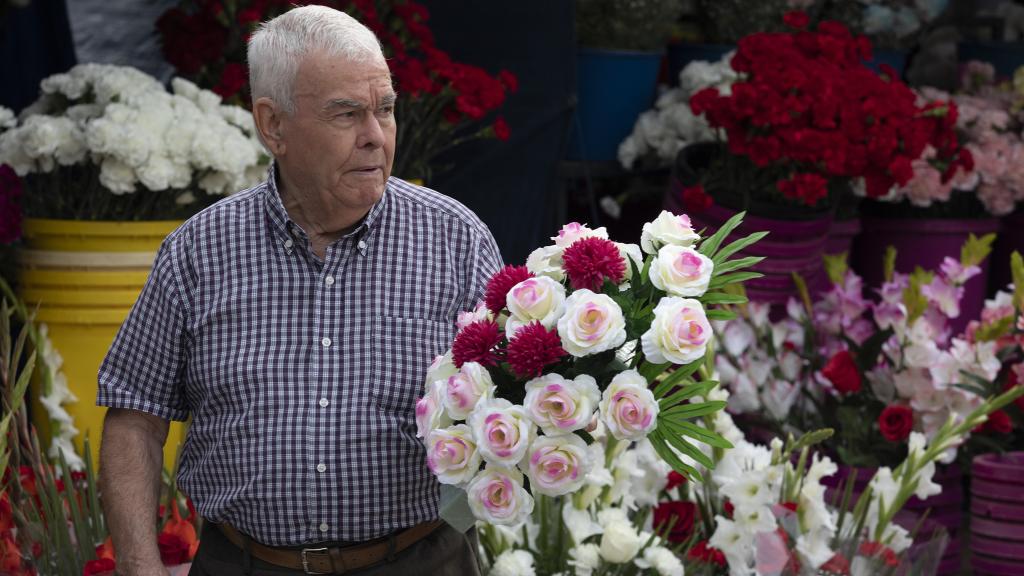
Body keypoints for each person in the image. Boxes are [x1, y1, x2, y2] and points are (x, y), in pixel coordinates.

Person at [96, 5, 502, 575]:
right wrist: (139, 568)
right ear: (273, 125)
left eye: (384, 110)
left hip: (417, 559)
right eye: (346, 114)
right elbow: (134, 411)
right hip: (242, 563)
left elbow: (519, 398)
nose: (373, 137)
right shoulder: (199, 251)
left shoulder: (455, 240)